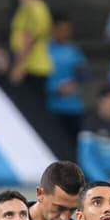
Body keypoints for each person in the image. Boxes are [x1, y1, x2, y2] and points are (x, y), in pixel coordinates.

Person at [77, 87, 110, 192]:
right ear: (101, 101)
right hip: (99, 181)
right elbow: (86, 158)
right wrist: (104, 181)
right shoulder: (89, 123)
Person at [9, 0, 53, 98]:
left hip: (33, 66)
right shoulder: (29, 8)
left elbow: (29, 39)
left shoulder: (35, 9)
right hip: (30, 65)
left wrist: (19, 66)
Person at [47, 13, 87, 142]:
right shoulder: (44, 50)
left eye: (68, 29)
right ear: (54, 29)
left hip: (74, 106)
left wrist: (81, 72)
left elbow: (84, 77)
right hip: (52, 107)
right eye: (63, 29)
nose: (66, 32)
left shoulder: (74, 50)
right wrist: (54, 89)